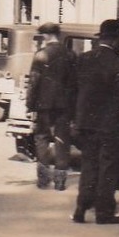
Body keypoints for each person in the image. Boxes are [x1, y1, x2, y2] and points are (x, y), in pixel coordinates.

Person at [70, 19, 119, 224]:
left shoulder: (84, 58)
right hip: (108, 124)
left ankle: (81, 208)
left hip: (85, 122)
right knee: (107, 167)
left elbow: (74, 90)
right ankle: (103, 213)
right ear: (115, 40)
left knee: (89, 165)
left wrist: (76, 118)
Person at [24, 21, 77, 191]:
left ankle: (43, 179)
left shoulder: (41, 55)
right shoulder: (71, 55)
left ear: (46, 36)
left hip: (44, 105)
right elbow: (75, 83)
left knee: (41, 138)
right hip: (65, 106)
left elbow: (34, 81)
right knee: (62, 140)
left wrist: (29, 104)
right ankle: (60, 181)